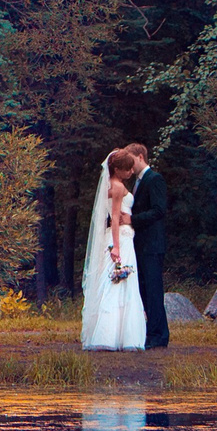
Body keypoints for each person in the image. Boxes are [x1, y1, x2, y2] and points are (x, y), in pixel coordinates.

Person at [80, 149, 148, 350]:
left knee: (119, 283)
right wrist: (116, 246)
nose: (130, 172)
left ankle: (116, 334)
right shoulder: (117, 188)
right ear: (117, 169)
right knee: (118, 283)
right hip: (121, 238)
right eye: (126, 169)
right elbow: (115, 218)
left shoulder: (111, 186)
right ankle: (113, 336)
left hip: (123, 236)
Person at [122, 142, 171, 350]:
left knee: (153, 290)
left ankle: (159, 335)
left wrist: (132, 219)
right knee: (144, 289)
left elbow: (159, 210)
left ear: (140, 157)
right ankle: (149, 332)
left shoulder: (154, 179)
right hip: (141, 245)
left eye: (131, 160)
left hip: (152, 244)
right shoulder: (138, 182)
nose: (129, 165)